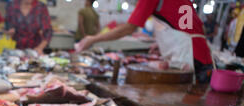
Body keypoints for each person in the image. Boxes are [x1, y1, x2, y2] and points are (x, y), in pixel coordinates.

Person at [76, 0, 214, 83]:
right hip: (203, 56)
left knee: (184, 105)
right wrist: (166, 44)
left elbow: (129, 28)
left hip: (191, 59)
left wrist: (93, 39)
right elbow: (196, 27)